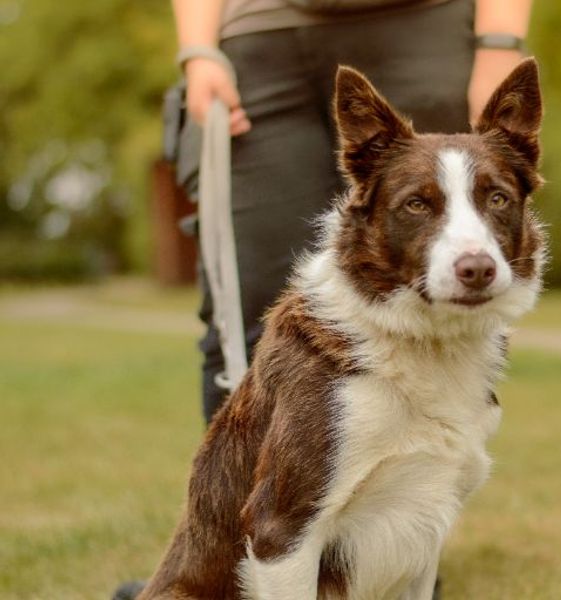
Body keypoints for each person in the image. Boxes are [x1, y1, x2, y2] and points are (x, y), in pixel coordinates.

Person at [113, 0, 532, 597]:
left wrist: (500, 38)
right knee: (243, 315)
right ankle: (238, 560)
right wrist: (199, 47)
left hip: (420, 24)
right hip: (258, 38)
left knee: (451, 268)